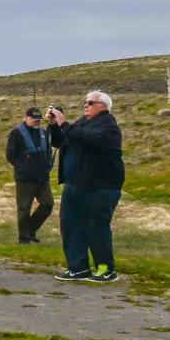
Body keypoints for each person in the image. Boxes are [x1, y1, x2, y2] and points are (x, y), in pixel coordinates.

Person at [49, 90, 124, 282]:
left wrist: (64, 122)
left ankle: (106, 269)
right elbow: (60, 141)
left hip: (100, 186)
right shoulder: (82, 123)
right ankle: (78, 267)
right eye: (85, 102)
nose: (86, 105)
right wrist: (55, 125)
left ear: (103, 107)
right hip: (75, 185)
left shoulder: (108, 125)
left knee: (96, 227)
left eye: (90, 103)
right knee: (71, 226)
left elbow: (89, 139)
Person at [6, 107, 55, 245]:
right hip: (25, 179)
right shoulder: (16, 134)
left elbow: (48, 151)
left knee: (48, 203)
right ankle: (24, 239)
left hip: (42, 177)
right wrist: (22, 168)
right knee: (24, 208)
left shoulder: (43, 133)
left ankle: (30, 229)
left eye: (39, 120)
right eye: (34, 120)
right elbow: (10, 155)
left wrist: (47, 165)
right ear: (26, 118)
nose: (36, 122)